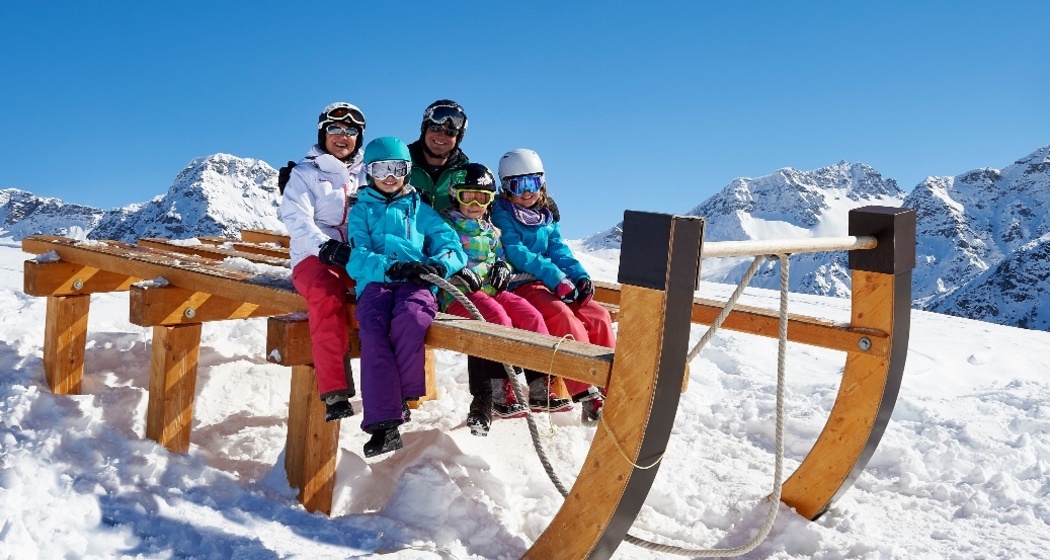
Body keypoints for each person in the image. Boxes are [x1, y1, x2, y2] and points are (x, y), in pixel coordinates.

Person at [345, 136, 467, 457]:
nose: (389, 176)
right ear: (369, 172)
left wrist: (440, 263)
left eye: (396, 168)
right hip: (376, 283)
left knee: (411, 317)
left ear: (407, 170)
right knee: (373, 328)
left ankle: (401, 396)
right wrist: (391, 268)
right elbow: (357, 257)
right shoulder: (361, 211)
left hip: (417, 282)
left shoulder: (420, 210)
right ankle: (384, 424)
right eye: (381, 168)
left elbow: (450, 244)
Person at [438, 163, 572, 436]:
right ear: (455, 195)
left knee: (529, 314)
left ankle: (539, 381)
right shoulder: (446, 226)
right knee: (497, 318)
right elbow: (441, 254)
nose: (475, 204)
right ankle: (500, 389)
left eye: (483, 198)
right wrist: (460, 270)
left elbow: (499, 256)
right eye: (468, 196)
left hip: (492, 290)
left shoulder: (488, 227)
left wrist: (502, 268)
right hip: (459, 293)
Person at [490, 148, 612, 425]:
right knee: (561, 315)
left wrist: (578, 276)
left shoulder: (545, 214)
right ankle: (587, 392)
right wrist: (557, 279)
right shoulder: (501, 214)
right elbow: (517, 252)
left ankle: (612, 387)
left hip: (551, 282)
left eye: (531, 183)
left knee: (598, 315)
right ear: (505, 187)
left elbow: (559, 250)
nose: (525, 192)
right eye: (516, 185)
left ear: (541, 182)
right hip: (521, 283)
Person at [280, 101, 367, 423]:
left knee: (382, 295)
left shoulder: (367, 174)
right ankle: (335, 391)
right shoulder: (305, 174)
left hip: (354, 255)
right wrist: (325, 247)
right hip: (312, 256)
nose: (342, 136)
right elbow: (297, 220)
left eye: (351, 131)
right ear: (322, 133)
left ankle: (389, 390)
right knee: (327, 295)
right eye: (335, 129)